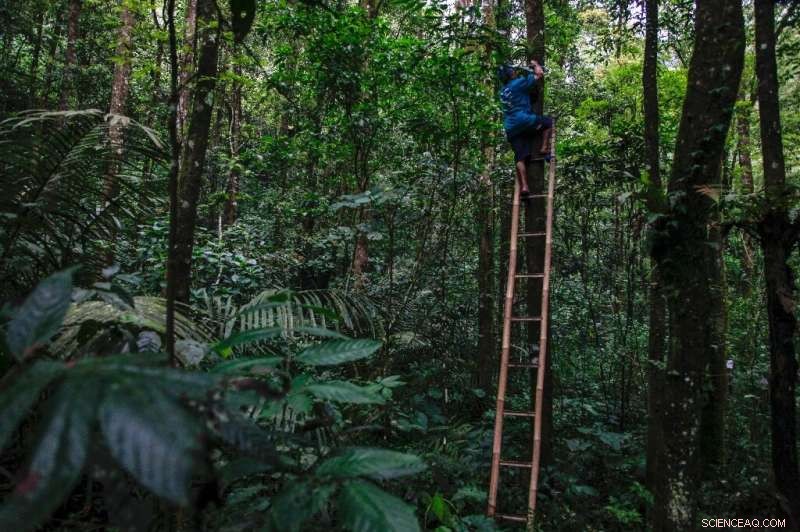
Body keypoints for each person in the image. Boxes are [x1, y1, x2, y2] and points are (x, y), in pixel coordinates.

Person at [498, 60, 554, 201]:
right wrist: (535, 65)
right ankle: (544, 148)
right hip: (524, 120)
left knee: (520, 156)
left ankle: (524, 186)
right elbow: (539, 74)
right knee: (548, 123)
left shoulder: (503, 92)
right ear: (511, 74)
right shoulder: (519, 83)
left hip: (511, 128)